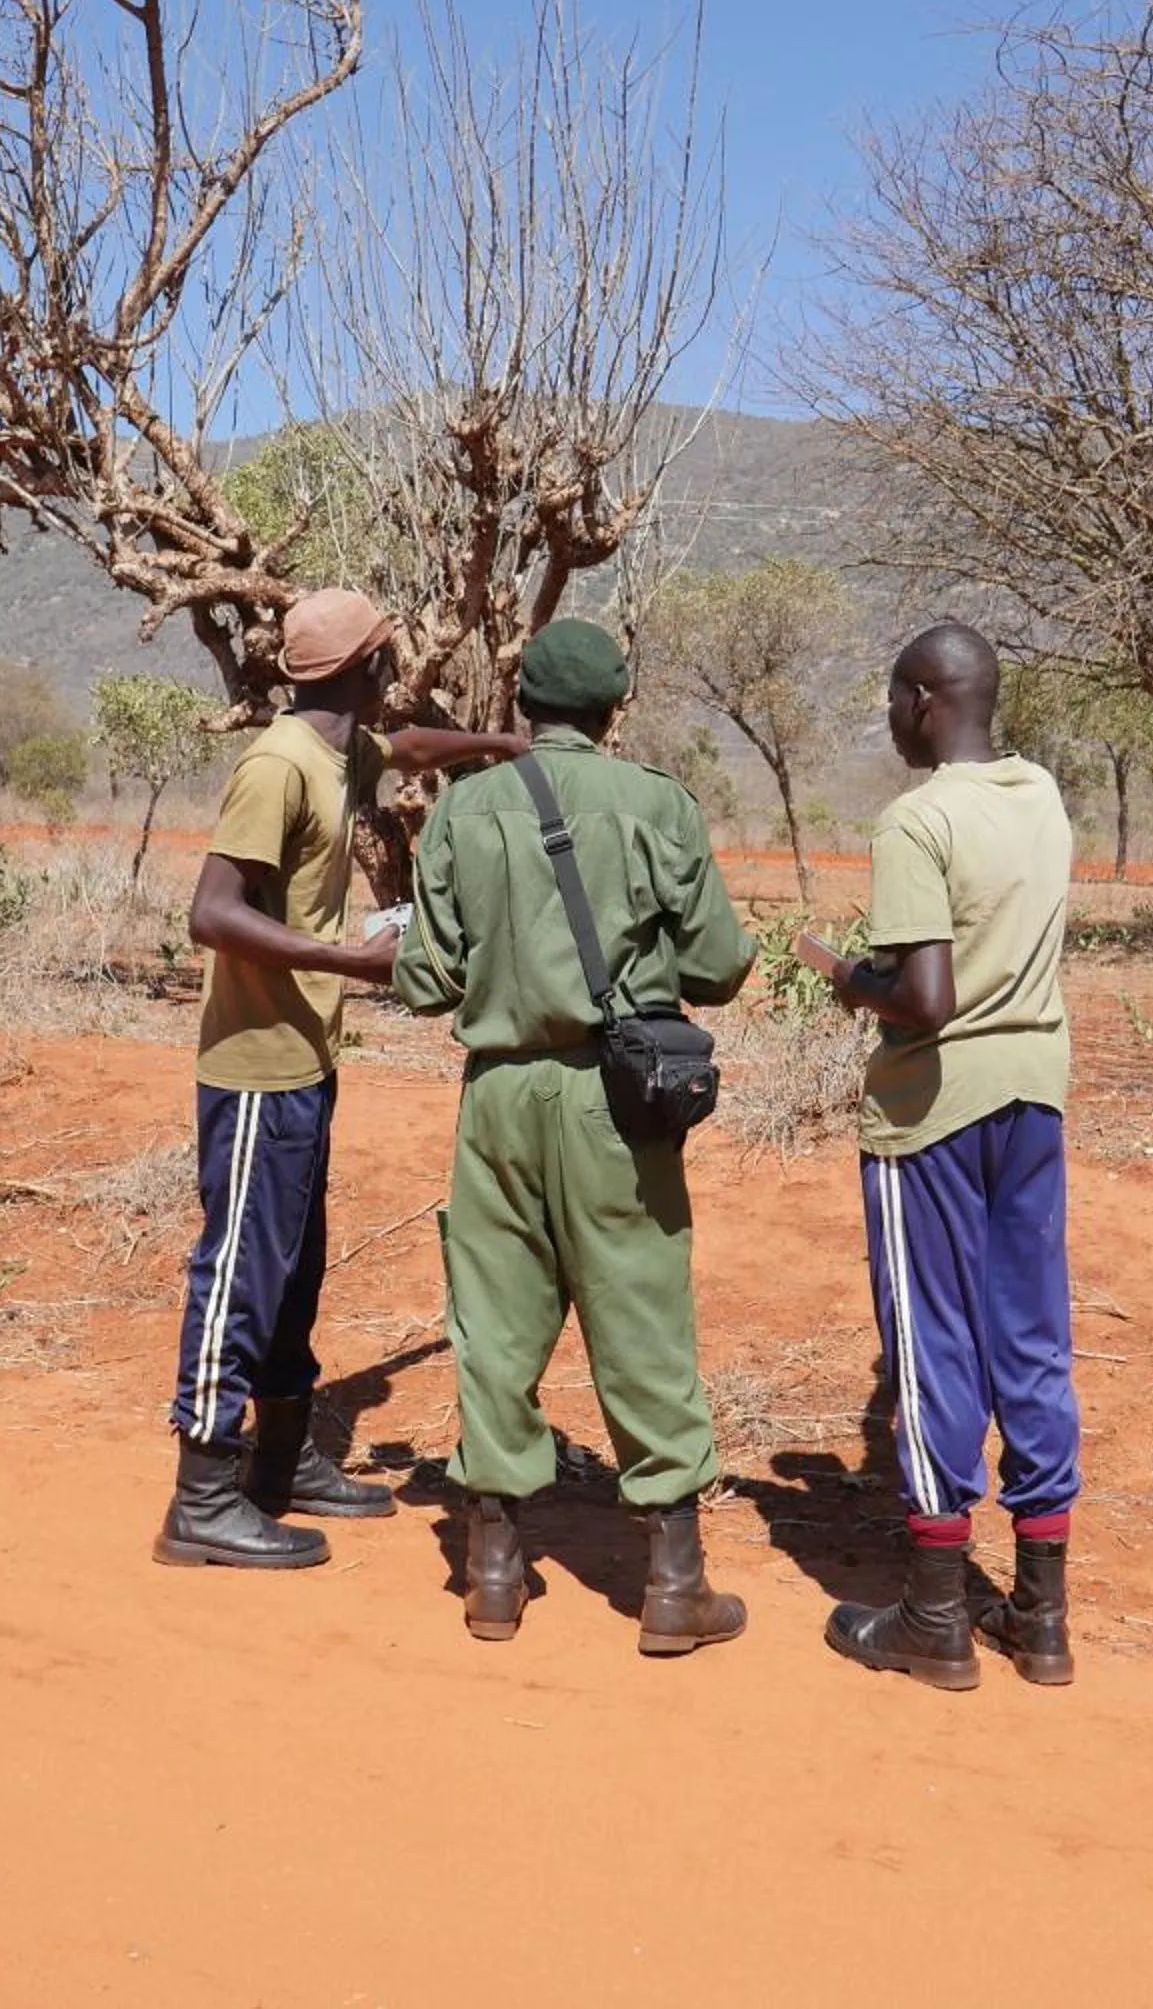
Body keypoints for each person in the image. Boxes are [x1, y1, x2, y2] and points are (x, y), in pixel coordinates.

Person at [392, 617, 759, 1653]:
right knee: (640, 1314)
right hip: (617, 1101)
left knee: (495, 1324)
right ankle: (674, 1585)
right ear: (612, 708)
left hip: (498, 1097)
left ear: (523, 704)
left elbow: (426, 980)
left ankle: (494, 1574)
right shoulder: (658, 803)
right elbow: (719, 964)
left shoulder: (462, 808)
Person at [154, 589, 524, 1572]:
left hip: (304, 1056)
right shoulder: (279, 765)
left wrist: (502, 746)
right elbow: (211, 913)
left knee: (292, 1270)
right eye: (387, 655)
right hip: (255, 1065)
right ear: (364, 667)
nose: (396, 668)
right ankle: (202, 1495)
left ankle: (281, 1460)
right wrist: (348, 961)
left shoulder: (339, 748)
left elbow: (407, 750)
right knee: (240, 1272)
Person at [816, 623, 1080, 1691]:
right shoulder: (1042, 795)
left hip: (933, 1111)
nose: (889, 719)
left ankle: (935, 1615)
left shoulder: (916, 820)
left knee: (931, 1345)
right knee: (1032, 1336)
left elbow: (924, 999)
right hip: (1034, 1096)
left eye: (892, 698)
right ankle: (1043, 1617)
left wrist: (846, 977)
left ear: (924, 699)